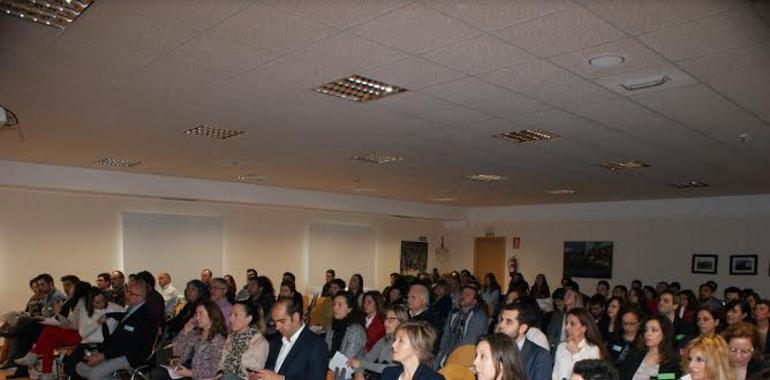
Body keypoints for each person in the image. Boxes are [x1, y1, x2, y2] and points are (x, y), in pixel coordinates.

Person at [76, 282, 159, 380]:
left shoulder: (144, 317)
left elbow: (128, 344)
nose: (126, 294)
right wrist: (100, 350)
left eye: (130, 293)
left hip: (131, 355)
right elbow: (119, 333)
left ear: (139, 298)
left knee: (93, 374)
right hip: (119, 350)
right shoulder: (135, 309)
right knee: (80, 367)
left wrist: (103, 356)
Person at [259, 297, 328, 380]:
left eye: (282, 321)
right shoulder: (275, 342)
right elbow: (269, 371)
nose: (277, 327)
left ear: (296, 317)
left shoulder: (316, 345)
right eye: (275, 322)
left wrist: (281, 378)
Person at [157, 301, 227, 380]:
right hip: (185, 373)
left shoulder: (218, 340)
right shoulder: (195, 334)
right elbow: (178, 354)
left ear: (212, 315)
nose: (197, 317)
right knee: (158, 372)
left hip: (202, 377)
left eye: (201, 314)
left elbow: (214, 370)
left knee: (158, 375)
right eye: (196, 314)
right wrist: (184, 332)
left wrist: (189, 373)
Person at [496, 302, 552, 380]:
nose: (501, 325)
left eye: (508, 321)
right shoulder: (493, 349)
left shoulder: (540, 356)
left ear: (522, 328)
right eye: (501, 320)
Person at [435, 285, 488, 367]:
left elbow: (470, 341)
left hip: (466, 355)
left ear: (474, 301)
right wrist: (442, 352)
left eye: (467, 295)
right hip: (448, 352)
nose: (463, 296)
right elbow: (446, 335)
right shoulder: (453, 314)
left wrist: (450, 355)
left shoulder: (479, 316)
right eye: (462, 294)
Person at [350, 304, 408, 379]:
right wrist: (359, 372)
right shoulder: (384, 340)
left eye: (391, 319)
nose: (386, 322)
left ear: (402, 321)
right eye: (386, 318)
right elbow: (367, 359)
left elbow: (393, 369)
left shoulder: (406, 343)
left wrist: (362, 364)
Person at [618, 314, 681, 380]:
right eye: (646, 330)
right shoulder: (634, 355)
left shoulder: (672, 363)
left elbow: (672, 377)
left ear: (665, 334)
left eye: (654, 330)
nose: (648, 334)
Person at [217, 301, 269, 380]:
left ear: (248, 319)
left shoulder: (259, 342)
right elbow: (221, 365)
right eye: (231, 315)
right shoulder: (231, 338)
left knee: (229, 377)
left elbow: (254, 374)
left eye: (236, 315)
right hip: (225, 377)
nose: (231, 319)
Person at [552, 308, 607, 380]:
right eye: (566, 323)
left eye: (572, 324)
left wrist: (575, 354)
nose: (567, 327)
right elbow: (555, 375)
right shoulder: (561, 346)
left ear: (584, 328)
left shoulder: (593, 350)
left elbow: (587, 377)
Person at [326, 292, 367, 364]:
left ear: (349, 309)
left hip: (349, 371)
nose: (335, 308)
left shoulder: (356, 330)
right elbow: (325, 351)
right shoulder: (332, 327)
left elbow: (346, 359)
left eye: (340, 305)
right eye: (334, 304)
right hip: (330, 367)